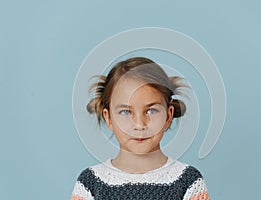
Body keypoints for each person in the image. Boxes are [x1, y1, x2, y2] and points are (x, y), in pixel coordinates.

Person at [71, 57, 210, 200]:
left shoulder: (188, 182)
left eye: (151, 111)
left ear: (168, 116)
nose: (139, 124)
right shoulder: (90, 183)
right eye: (125, 112)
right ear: (109, 118)